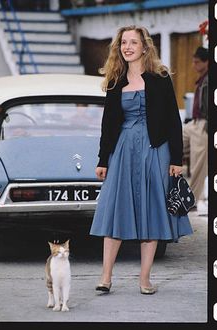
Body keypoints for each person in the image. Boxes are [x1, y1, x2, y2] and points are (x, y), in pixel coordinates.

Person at [89, 25, 193, 295]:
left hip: (155, 150)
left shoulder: (159, 79)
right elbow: (108, 124)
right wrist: (103, 159)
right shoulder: (115, 80)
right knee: (115, 210)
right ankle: (105, 277)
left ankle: (144, 278)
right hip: (123, 150)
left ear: (145, 47)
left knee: (152, 212)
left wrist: (176, 158)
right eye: (124, 42)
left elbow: (173, 120)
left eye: (133, 42)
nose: (128, 47)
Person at [182, 46, 208, 215]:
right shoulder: (203, 78)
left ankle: (191, 200)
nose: (193, 65)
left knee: (198, 163)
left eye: (197, 62)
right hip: (194, 122)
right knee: (174, 140)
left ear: (207, 62)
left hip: (205, 124)